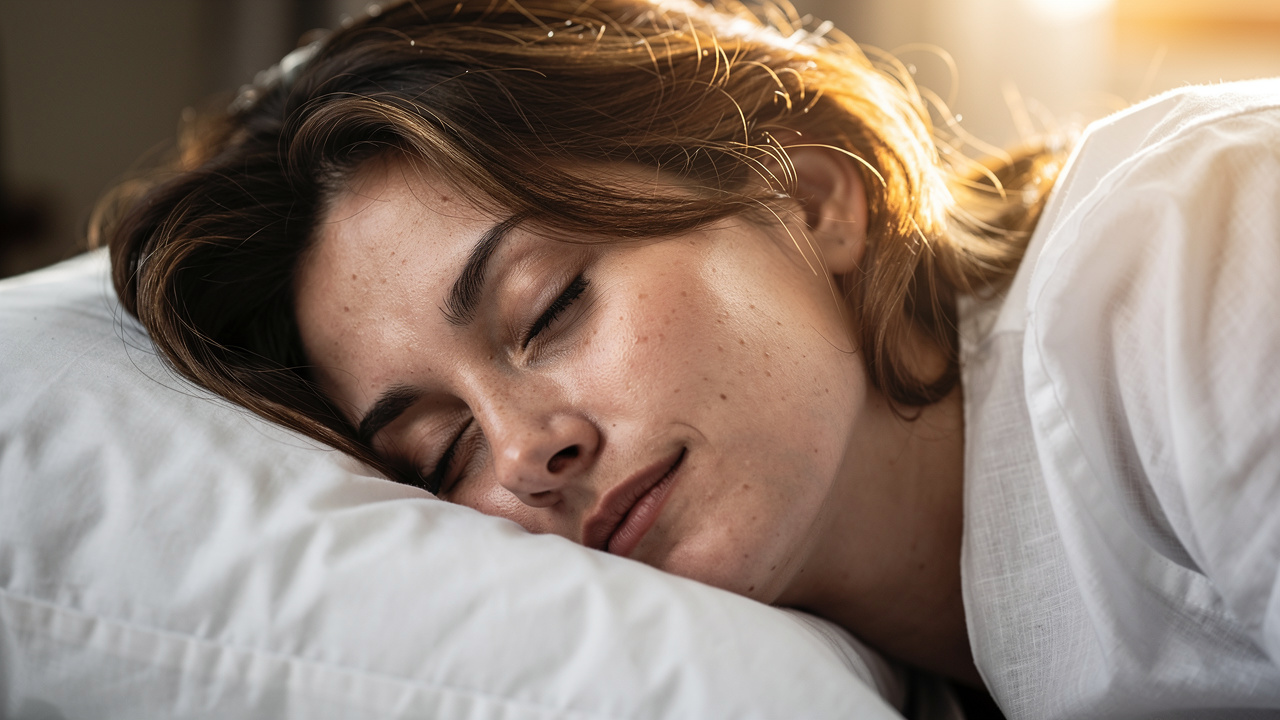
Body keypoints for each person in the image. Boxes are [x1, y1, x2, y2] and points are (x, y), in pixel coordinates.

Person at [96, 0, 1280, 717]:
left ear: (813, 199)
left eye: (550, 306)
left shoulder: (1192, 258)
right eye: (437, 450)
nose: (525, 454)